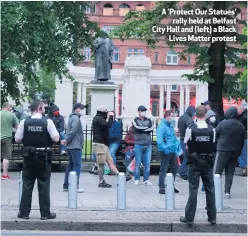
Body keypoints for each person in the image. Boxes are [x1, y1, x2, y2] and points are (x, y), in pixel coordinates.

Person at [15, 100, 59, 220]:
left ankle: (24, 213)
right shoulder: (47, 122)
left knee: (27, 184)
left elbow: (17, 139)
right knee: (44, 184)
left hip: (29, 157)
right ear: (39, 108)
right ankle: (45, 214)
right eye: (43, 107)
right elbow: (56, 138)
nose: (45, 109)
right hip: (43, 157)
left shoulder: (25, 121)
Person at [180, 105, 216, 226]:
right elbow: (213, 144)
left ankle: (189, 218)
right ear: (205, 115)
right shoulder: (212, 129)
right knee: (210, 190)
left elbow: (185, 144)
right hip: (208, 163)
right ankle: (212, 217)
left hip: (194, 163)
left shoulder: (191, 129)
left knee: (193, 190)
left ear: (195, 114)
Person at [214, 107, 245, 199]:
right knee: (230, 172)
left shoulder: (223, 123)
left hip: (223, 150)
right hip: (235, 152)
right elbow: (242, 140)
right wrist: (239, 151)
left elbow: (215, 133)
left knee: (217, 171)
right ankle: (227, 192)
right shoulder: (241, 125)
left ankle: (215, 190)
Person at [92, 105, 120, 188]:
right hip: (100, 145)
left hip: (103, 144)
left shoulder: (99, 118)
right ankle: (101, 181)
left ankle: (120, 176)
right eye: (106, 113)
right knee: (101, 164)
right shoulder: (99, 119)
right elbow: (108, 125)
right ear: (103, 112)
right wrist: (111, 116)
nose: (107, 115)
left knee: (110, 161)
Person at [61, 103, 85, 193]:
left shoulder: (71, 118)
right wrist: (66, 139)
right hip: (75, 145)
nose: (83, 111)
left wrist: (67, 140)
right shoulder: (75, 118)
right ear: (77, 109)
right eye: (82, 109)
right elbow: (73, 130)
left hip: (71, 145)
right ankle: (75, 185)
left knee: (70, 165)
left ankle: (66, 185)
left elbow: (70, 130)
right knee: (77, 165)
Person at [156, 111, 179, 194]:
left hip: (171, 150)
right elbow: (159, 140)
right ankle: (161, 187)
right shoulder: (162, 126)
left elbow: (173, 138)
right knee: (164, 168)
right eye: (171, 116)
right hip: (165, 151)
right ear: (167, 116)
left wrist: (175, 148)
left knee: (175, 167)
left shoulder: (170, 126)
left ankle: (170, 185)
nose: (172, 118)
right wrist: (165, 148)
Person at [132, 105, 153, 186]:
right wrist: (145, 129)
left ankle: (146, 180)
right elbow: (137, 128)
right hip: (138, 144)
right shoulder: (135, 120)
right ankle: (136, 179)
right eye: (142, 111)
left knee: (147, 164)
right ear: (138, 112)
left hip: (148, 145)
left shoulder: (149, 120)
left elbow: (151, 129)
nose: (143, 112)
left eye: (144, 111)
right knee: (137, 163)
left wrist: (142, 129)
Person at [1, 102, 19, 180]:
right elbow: (17, 127)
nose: (11, 109)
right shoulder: (12, 115)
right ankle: (4, 175)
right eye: (10, 107)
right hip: (7, 138)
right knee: (5, 157)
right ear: (8, 107)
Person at [177, 105, 196, 180]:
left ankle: (181, 172)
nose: (194, 114)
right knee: (187, 158)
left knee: (185, 157)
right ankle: (183, 173)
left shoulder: (181, 118)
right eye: (194, 112)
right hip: (187, 141)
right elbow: (192, 129)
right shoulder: (189, 119)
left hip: (181, 139)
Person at [237, 102, 247, 176]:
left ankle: (244, 167)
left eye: (238, 110)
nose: (237, 111)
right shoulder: (244, 116)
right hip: (244, 137)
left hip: (243, 137)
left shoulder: (243, 117)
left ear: (241, 110)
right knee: (244, 153)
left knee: (240, 153)